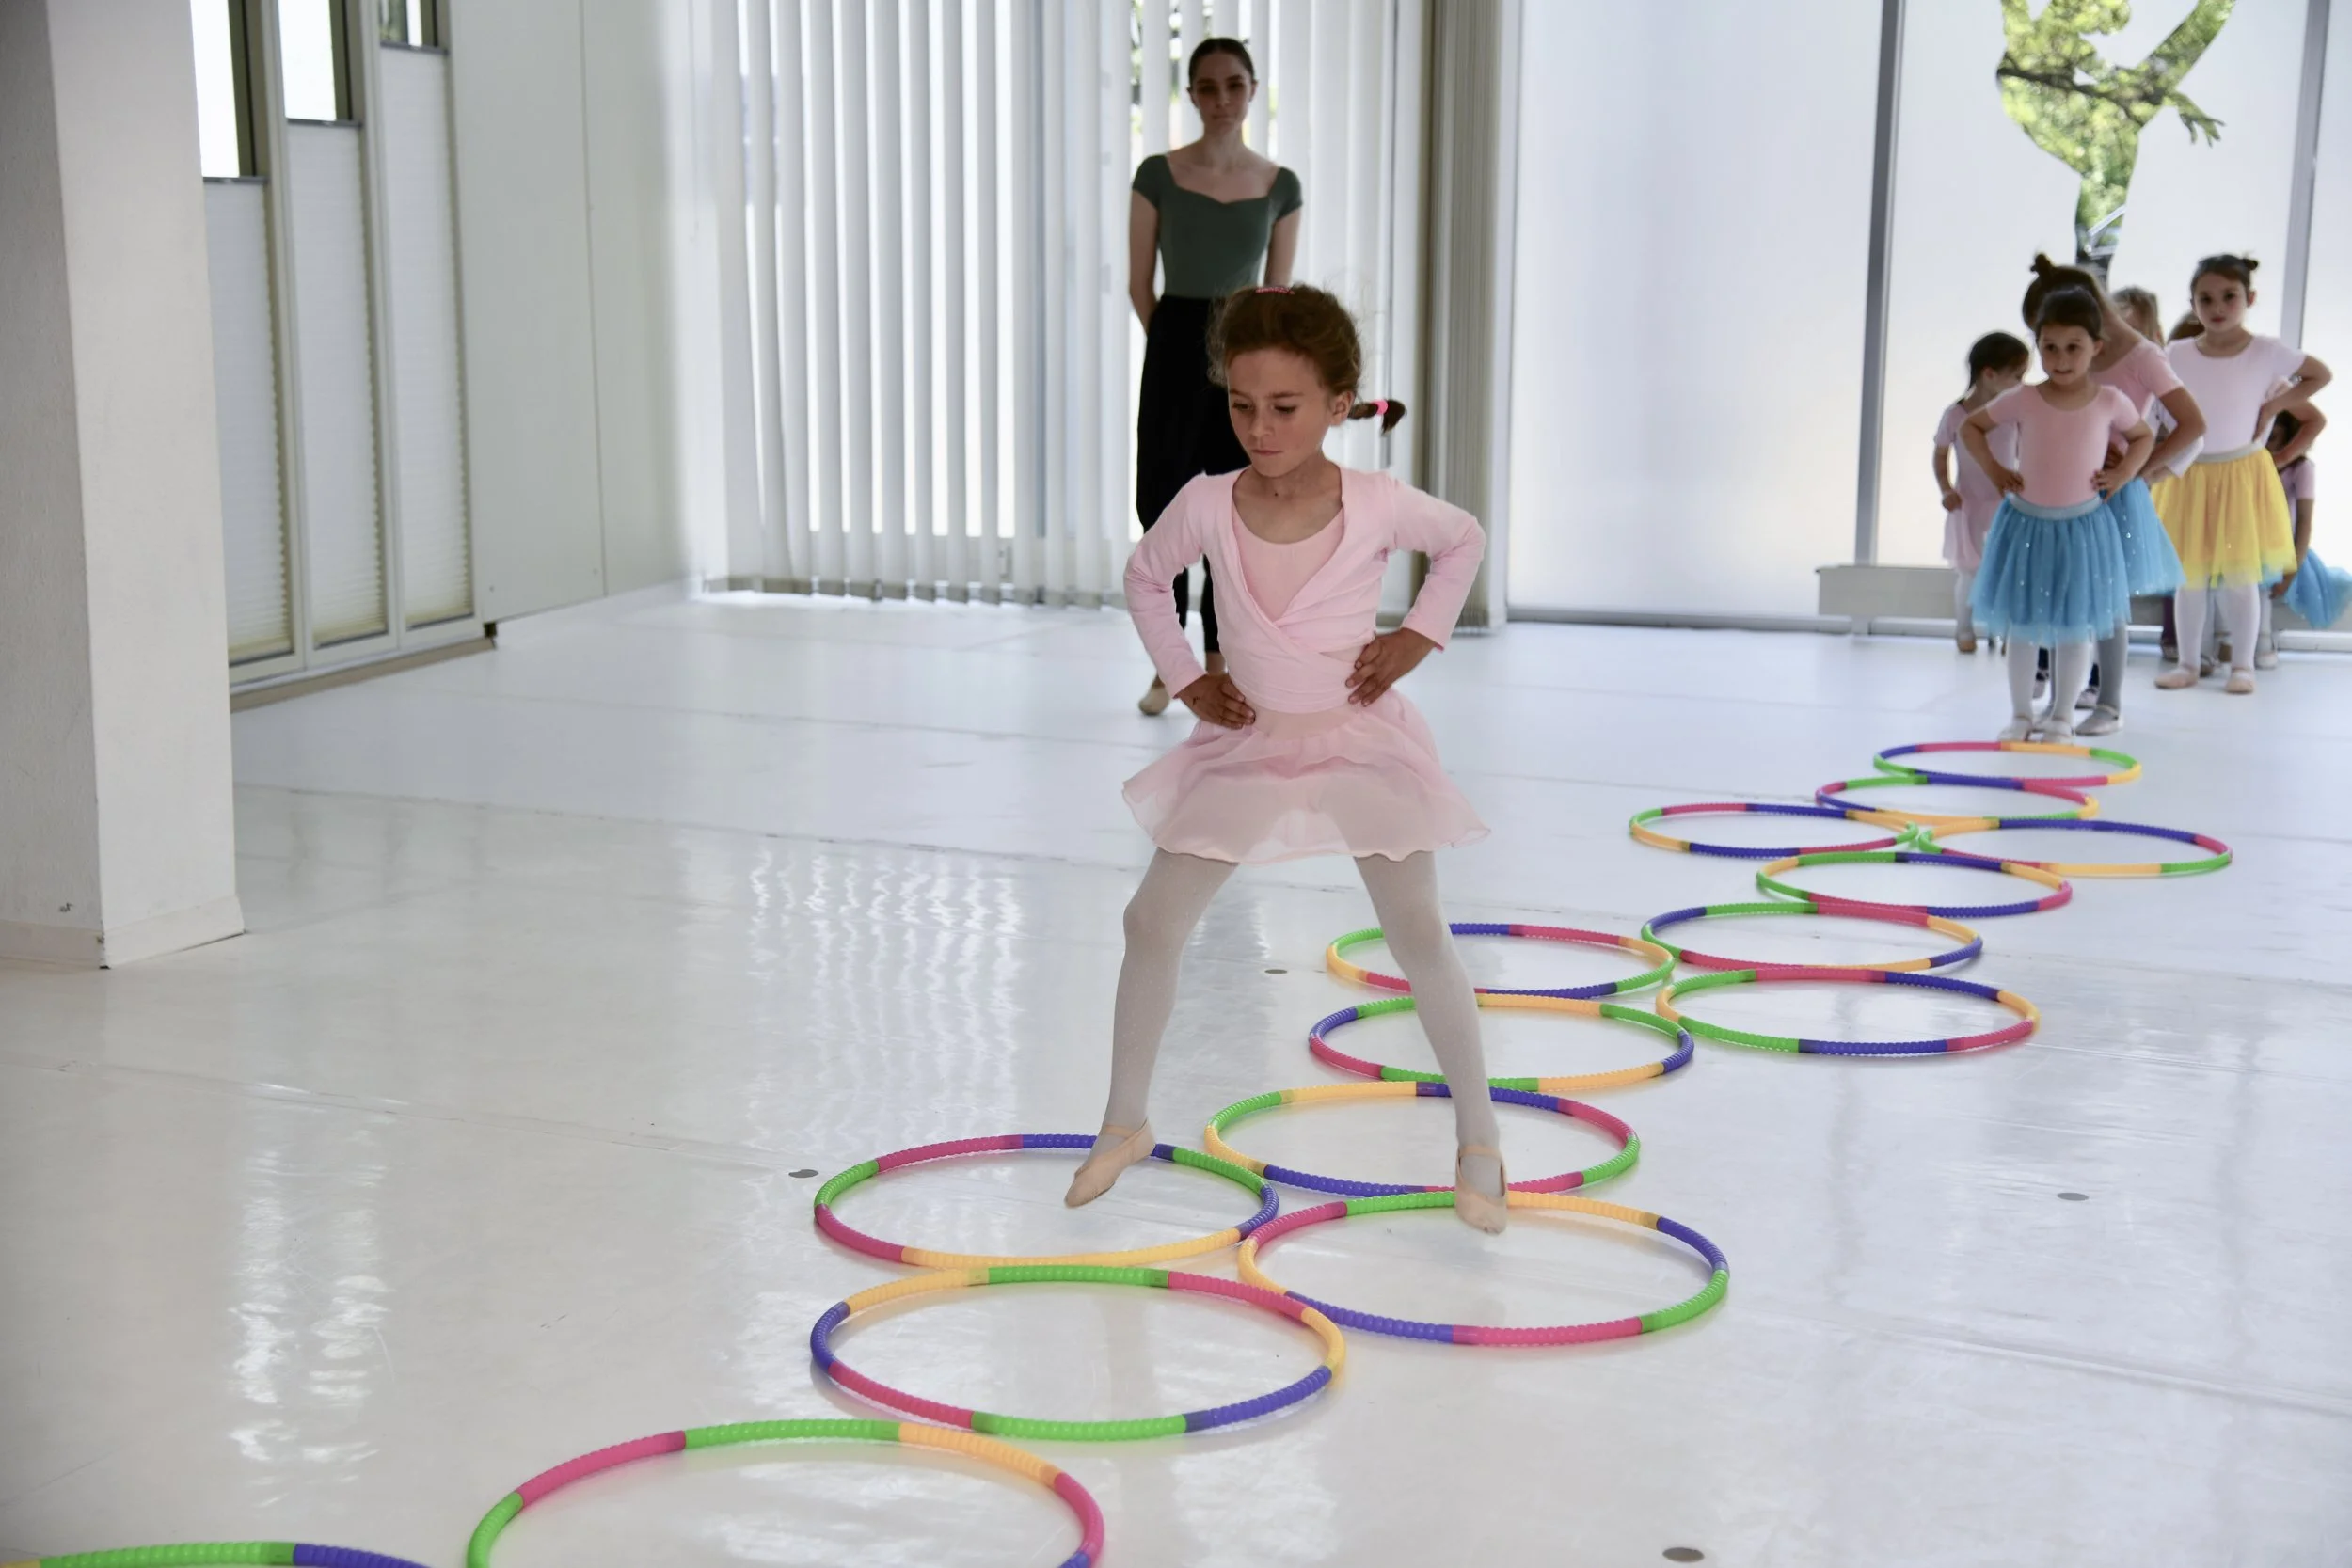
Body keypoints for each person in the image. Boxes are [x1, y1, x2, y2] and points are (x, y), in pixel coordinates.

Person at [1071, 285, 1508, 1232]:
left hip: (1358, 741)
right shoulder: (1207, 501)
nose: (1258, 429)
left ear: (1339, 404)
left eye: (1283, 408)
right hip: (1246, 742)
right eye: (1241, 405)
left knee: (1416, 933)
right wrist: (1186, 676)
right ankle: (1124, 1121)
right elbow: (1146, 576)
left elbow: (1462, 539)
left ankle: (1479, 1137)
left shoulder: (1376, 501)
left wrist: (1417, 635)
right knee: (1150, 919)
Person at [1129, 37, 1303, 716]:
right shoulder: (1157, 174)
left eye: (1234, 85)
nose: (1222, 99)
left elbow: (1277, 292)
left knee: (1235, 511)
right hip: (1174, 352)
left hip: (1244, 358)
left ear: (1252, 91)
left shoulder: (1280, 185)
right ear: (1192, 94)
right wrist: (1178, 351)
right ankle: (1167, 666)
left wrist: (1248, 367)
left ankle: (1221, 661)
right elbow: (1140, 285)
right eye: (1207, 86)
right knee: (1164, 507)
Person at [2018, 257, 2202, 736]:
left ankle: (2110, 704)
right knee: (2062, 593)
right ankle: (2060, 703)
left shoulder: (2143, 356)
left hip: (2109, 494)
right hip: (2059, 490)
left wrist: (2135, 471)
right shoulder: (2077, 352)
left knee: (2107, 600)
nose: (2055, 351)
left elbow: (2193, 425)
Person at [1963, 287, 2152, 741]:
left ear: (2096, 347)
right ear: (2038, 346)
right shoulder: (2023, 398)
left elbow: (2143, 436)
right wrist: (1994, 469)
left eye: (2073, 347)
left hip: (2083, 527)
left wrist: (2124, 472)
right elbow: (1972, 426)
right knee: (2023, 626)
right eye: (2050, 347)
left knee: (2074, 627)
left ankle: (2063, 715)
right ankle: (2021, 714)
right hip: (2026, 524)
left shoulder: (2109, 400)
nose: (2061, 359)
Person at [2151, 255, 2332, 695]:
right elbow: (2155, 406)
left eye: (2229, 296)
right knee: (2189, 578)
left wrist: (2274, 410)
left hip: (2242, 476)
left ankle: (2243, 666)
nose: (2217, 307)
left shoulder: (2267, 351)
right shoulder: (2175, 355)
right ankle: (2189, 663)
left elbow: (2319, 374)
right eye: (2206, 299)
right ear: (2192, 304)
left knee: (2240, 577)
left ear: (2250, 298)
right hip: (2189, 475)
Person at [1933, 333, 2030, 653]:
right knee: (1969, 572)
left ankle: (2006, 633)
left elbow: (2028, 452)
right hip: (1969, 505)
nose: (2022, 384)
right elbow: (1940, 454)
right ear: (1989, 374)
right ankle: (1964, 630)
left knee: (2010, 572)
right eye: (2017, 376)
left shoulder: (2014, 413)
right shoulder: (1955, 414)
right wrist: (1946, 489)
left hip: (2008, 504)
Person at [2258, 407, 2328, 663]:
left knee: (2266, 582)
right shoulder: (2251, 466)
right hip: (2252, 546)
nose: (2266, 444)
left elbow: (2305, 521)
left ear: (2290, 437)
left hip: (2285, 550)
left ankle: (2264, 641)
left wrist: (2292, 567)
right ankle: (2233, 640)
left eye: (2273, 437)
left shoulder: (2301, 468)